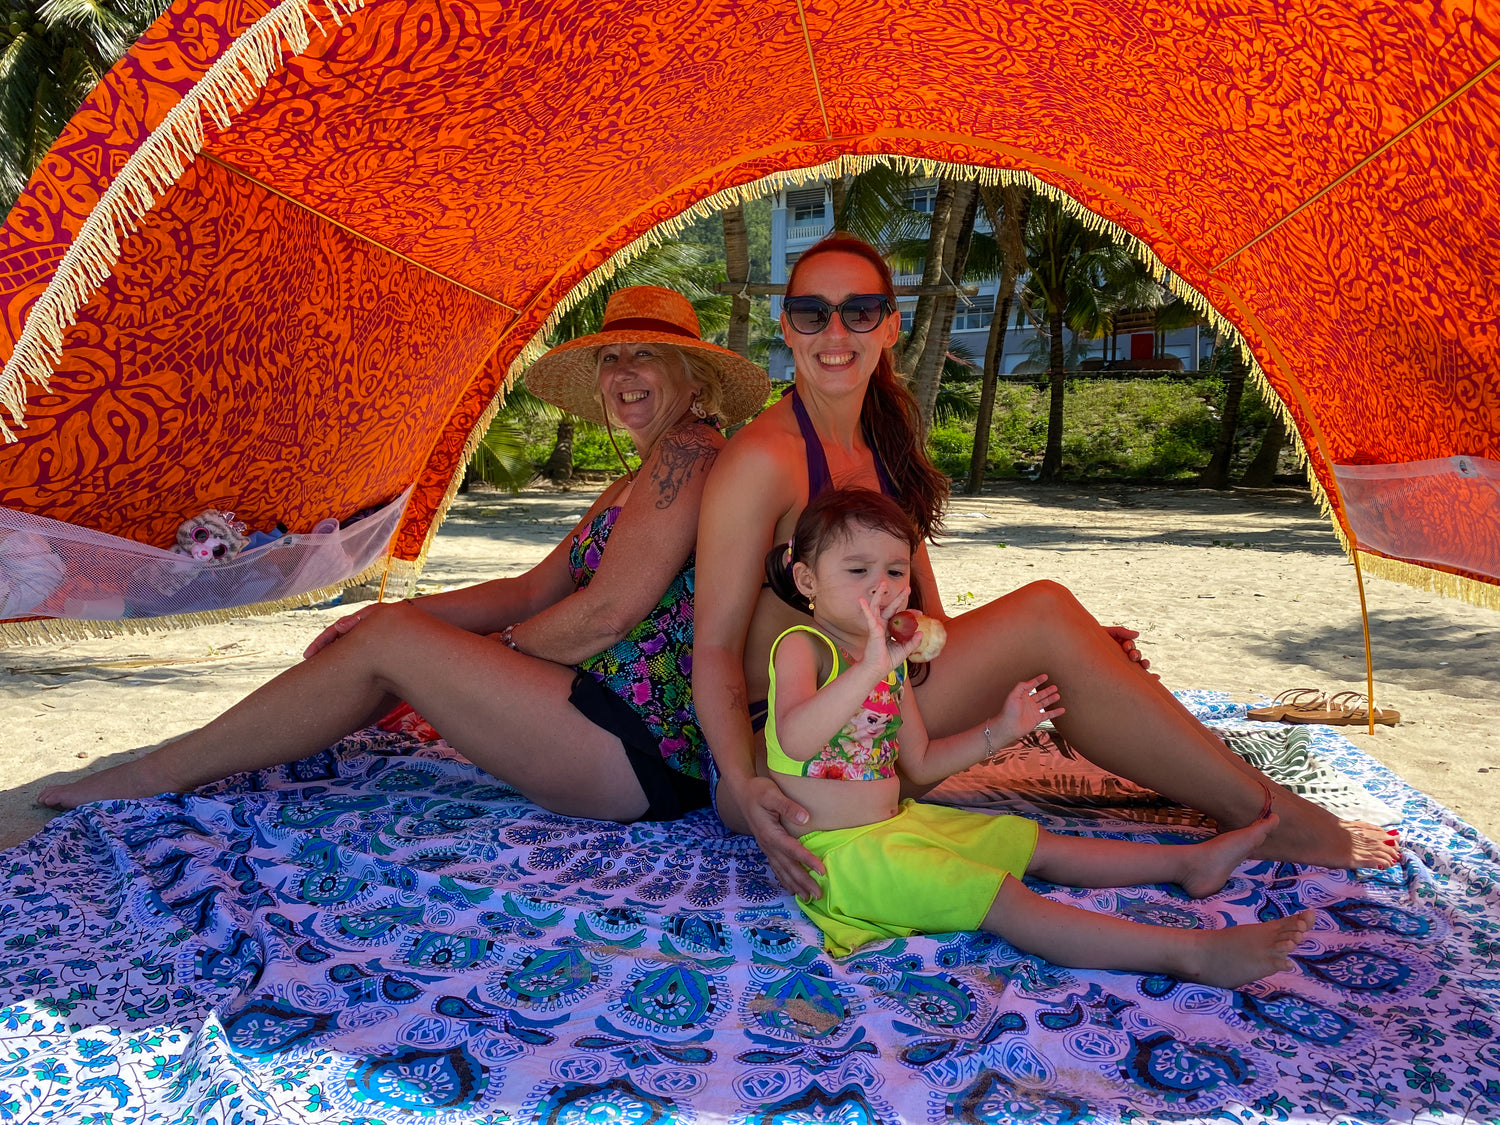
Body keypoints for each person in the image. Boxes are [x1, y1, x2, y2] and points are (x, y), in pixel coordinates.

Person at [692, 231, 1399, 899]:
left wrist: (1075, 657)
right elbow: (717, 647)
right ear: (784, 328)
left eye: (860, 311)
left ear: (891, 326)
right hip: (788, 752)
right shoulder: (763, 459)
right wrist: (743, 785)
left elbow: (927, 631)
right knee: (1045, 613)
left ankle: (1243, 798)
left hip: (879, 725)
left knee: (1063, 633)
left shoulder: (882, 447)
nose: (835, 334)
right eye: (811, 314)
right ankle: (1272, 816)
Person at [40, 286, 770, 822]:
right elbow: (528, 589)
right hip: (602, 725)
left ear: (694, 380)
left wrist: (465, 653)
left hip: (642, 748)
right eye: (612, 356)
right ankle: (184, 760)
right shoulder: (631, 479)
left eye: (647, 354)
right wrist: (406, 616)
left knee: (395, 645)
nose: (623, 370)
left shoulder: (692, 453)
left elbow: (608, 614)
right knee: (387, 634)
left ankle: (153, 773)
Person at [763, 487, 1313, 986]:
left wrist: (1001, 730)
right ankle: (1194, 953)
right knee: (1004, 897)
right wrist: (869, 669)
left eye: (895, 573)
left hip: (894, 826)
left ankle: (1188, 864)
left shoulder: (890, 662)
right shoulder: (805, 647)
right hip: (837, 860)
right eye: (858, 571)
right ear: (808, 580)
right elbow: (795, 739)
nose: (881, 589)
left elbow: (921, 765)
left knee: (1031, 843)